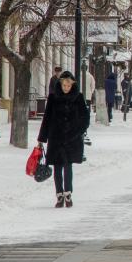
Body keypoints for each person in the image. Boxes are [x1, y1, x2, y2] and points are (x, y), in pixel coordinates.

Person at [36, 71, 89, 208]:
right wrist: (42, 138)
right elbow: (46, 118)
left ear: (72, 85)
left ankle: (68, 193)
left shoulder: (78, 97)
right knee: (57, 166)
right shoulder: (53, 98)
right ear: (60, 84)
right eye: (64, 85)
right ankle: (59, 195)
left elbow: (85, 118)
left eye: (68, 85)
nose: (66, 88)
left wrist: (77, 131)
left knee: (68, 166)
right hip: (56, 137)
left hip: (72, 138)